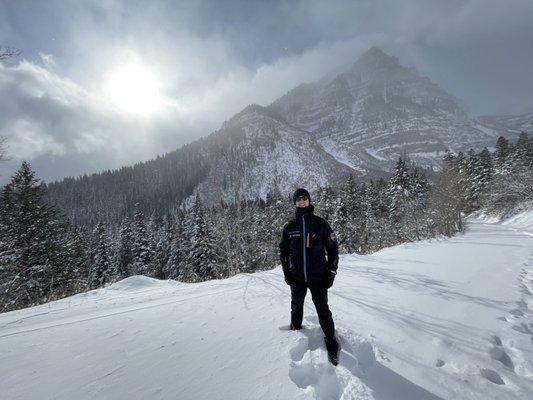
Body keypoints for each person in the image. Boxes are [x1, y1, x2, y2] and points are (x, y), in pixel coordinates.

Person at [279, 188, 340, 365]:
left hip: (318, 277)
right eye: (298, 199)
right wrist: (286, 273)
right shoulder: (290, 227)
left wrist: (331, 272)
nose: (302, 201)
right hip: (297, 278)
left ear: (309, 201)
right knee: (296, 307)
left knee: (322, 309)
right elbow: (283, 252)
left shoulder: (320, 223)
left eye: (305, 198)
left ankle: (331, 340)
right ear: (295, 202)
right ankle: (296, 331)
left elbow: (333, 249)